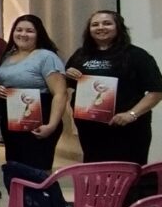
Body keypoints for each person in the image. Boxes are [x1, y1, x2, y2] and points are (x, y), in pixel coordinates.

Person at [64, 11, 162, 171]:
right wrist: (68, 75)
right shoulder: (81, 55)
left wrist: (131, 114)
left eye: (107, 23)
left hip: (127, 129)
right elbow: (68, 86)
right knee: (96, 173)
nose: (100, 27)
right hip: (90, 128)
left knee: (127, 175)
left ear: (118, 27)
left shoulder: (137, 55)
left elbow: (156, 92)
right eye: (95, 24)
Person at [0, 14, 67, 172]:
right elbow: (1, 81)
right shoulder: (8, 56)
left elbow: (60, 93)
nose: (23, 34)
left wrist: (52, 125)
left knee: (37, 173)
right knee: (16, 169)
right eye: (19, 30)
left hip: (39, 122)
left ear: (38, 34)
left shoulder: (46, 57)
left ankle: (44, 198)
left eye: (29, 31)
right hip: (13, 122)